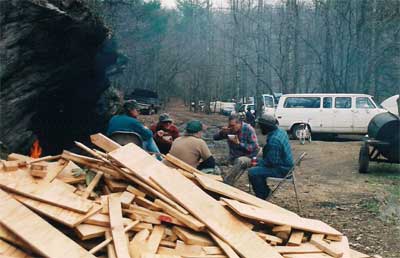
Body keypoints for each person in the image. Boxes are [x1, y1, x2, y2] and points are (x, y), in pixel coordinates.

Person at [248, 114, 294, 199]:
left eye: (261, 126)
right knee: (256, 169)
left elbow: (271, 163)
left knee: (253, 172)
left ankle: (264, 195)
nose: (260, 128)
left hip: (282, 170)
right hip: (287, 166)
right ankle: (264, 191)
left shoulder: (274, 141)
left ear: (266, 127)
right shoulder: (281, 131)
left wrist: (256, 162)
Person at [214, 114, 259, 184]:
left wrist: (239, 144)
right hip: (233, 155)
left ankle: (227, 183)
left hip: (248, 156)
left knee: (239, 161)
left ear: (239, 123)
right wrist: (222, 133)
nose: (231, 127)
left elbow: (255, 147)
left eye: (233, 125)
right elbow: (215, 138)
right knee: (214, 160)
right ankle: (216, 179)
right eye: (230, 125)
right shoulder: (230, 129)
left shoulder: (248, 129)